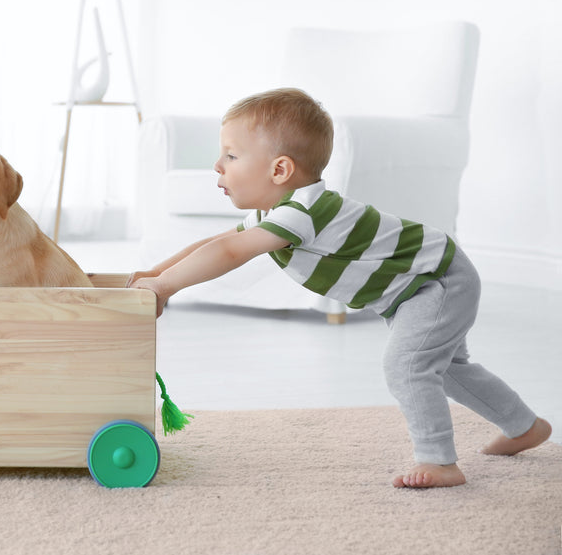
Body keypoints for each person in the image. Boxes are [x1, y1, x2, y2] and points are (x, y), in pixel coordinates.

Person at [128, 87, 552, 488]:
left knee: (407, 366)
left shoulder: (304, 212)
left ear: (280, 169)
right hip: (422, 285)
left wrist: (165, 287)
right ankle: (525, 426)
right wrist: (156, 273)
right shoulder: (274, 211)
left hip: (438, 279)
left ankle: (439, 461)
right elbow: (214, 244)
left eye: (231, 155)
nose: (218, 166)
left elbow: (231, 252)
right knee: (451, 371)